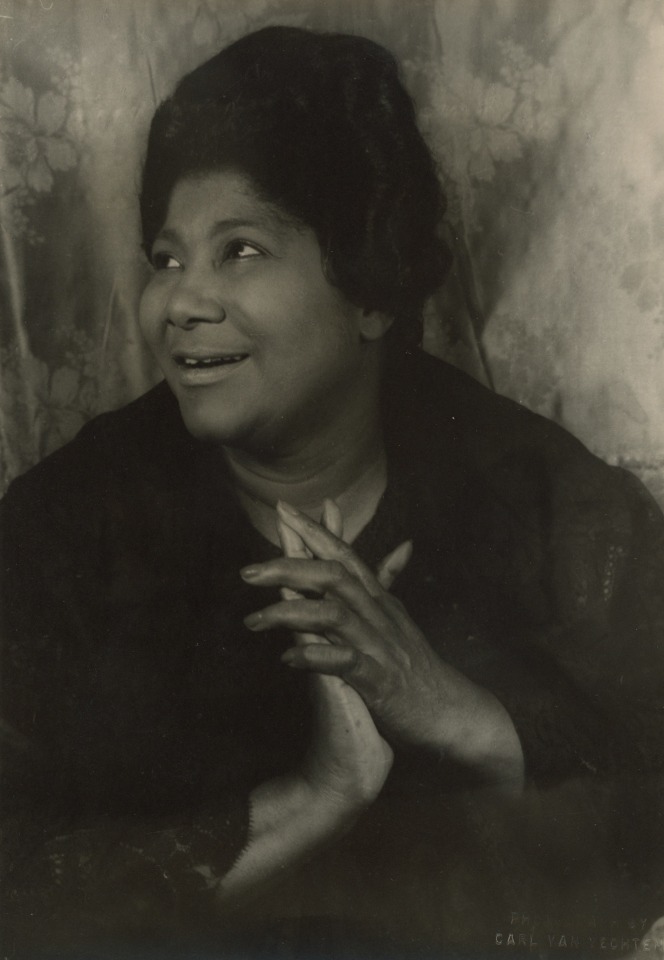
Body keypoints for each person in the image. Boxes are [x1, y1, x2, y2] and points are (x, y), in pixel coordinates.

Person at [1, 24, 663, 959]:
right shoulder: (60, 531)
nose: (180, 303)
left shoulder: (550, 502)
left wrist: (461, 715)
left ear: (371, 291)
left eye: (239, 250)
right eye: (166, 258)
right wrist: (317, 796)